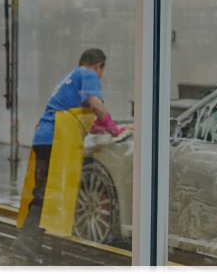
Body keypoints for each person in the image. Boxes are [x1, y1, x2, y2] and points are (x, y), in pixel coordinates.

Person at [14, 48, 130, 263]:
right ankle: (26, 243)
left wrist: (101, 128)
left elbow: (77, 118)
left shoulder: (68, 77)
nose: (100, 77)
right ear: (98, 67)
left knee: (43, 192)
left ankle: (31, 244)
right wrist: (115, 130)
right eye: (101, 72)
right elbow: (97, 106)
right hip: (54, 140)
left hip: (43, 138)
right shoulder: (88, 75)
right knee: (47, 194)